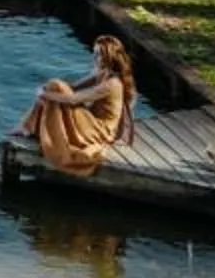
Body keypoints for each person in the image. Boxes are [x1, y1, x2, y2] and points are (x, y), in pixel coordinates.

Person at [12, 35, 138, 174]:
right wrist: (48, 92)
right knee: (55, 85)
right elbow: (73, 87)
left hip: (101, 130)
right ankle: (27, 126)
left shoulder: (112, 83)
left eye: (99, 55)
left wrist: (45, 94)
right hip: (92, 120)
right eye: (94, 53)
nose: (94, 58)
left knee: (55, 88)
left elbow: (74, 99)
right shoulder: (101, 72)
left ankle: (28, 127)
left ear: (109, 57)